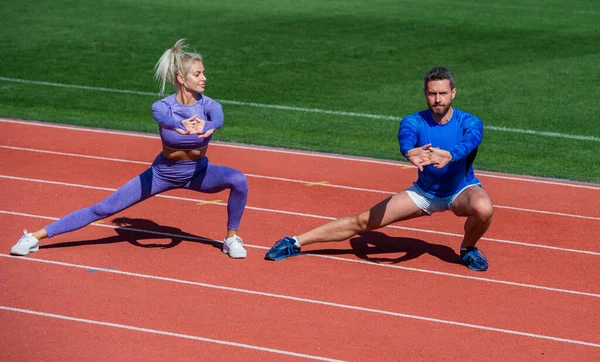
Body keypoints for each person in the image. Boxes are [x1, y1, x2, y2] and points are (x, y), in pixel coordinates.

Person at [11, 39, 249, 259]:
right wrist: (182, 126)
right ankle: (34, 236)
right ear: (181, 78)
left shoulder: (210, 106)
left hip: (198, 172)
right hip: (162, 174)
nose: (204, 78)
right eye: (198, 74)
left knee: (238, 180)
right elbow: (167, 126)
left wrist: (207, 126)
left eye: (204, 73)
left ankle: (230, 239)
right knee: (104, 208)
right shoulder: (162, 106)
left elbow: (218, 119)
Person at [265, 66, 493, 271]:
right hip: (425, 194)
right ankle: (294, 242)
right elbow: (406, 137)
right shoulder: (413, 121)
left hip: (460, 191)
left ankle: (468, 249)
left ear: (453, 93)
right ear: (425, 94)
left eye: (442, 94)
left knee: (483, 207)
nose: (437, 99)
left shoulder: (469, 121)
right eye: (432, 94)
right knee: (362, 221)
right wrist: (408, 151)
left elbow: (472, 140)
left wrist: (451, 155)